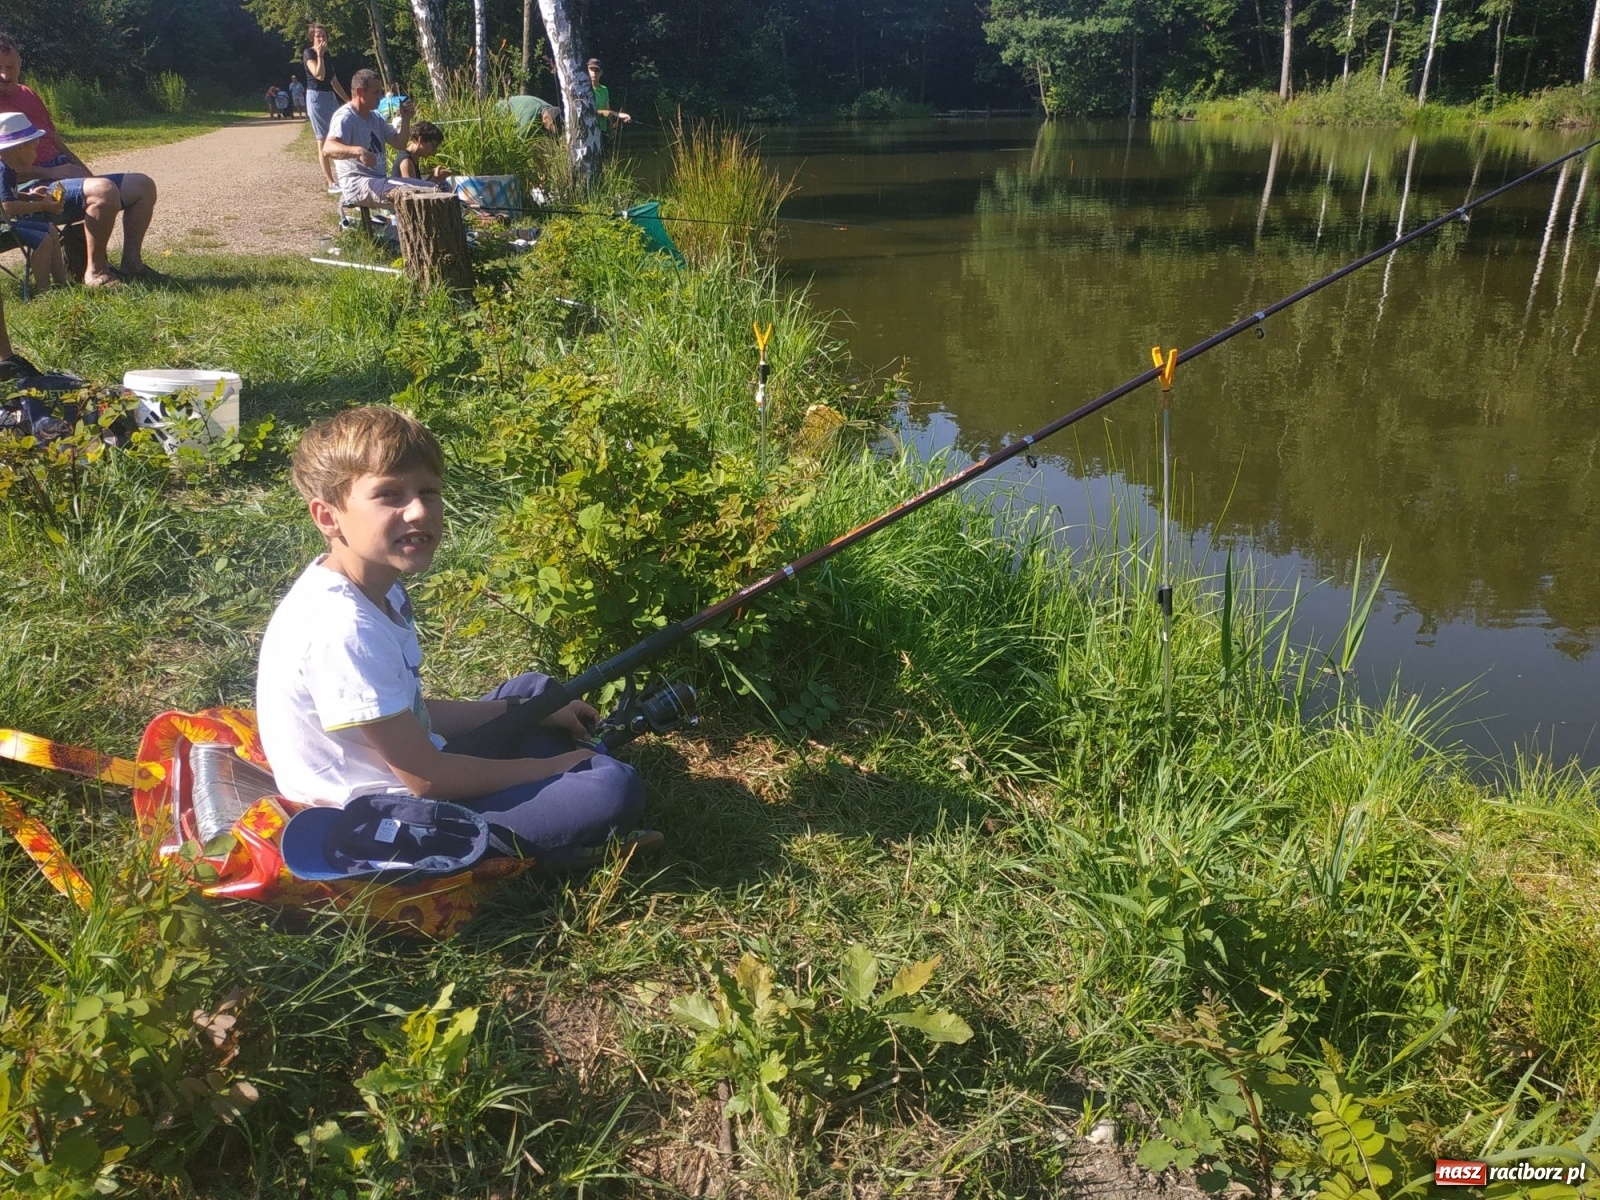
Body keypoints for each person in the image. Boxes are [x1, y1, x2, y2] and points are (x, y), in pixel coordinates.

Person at [255, 406, 649, 867]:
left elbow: (411, 715)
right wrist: (549, 768)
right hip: (377, 819)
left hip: (411, 766)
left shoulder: (379, 589)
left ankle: (557, 787)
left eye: (429, 491)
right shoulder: (343, 628)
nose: (419, 511)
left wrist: (523, 711)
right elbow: (427, 779)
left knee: (535, 692)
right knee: (611, 788)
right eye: (389, 495)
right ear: (328, 517)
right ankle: (519, 853)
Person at [0, 32, 161, 285]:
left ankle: (132, 265)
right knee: (103, 191)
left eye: (10, 67)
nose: (4, 75)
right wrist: (51, 173)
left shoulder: (28, 94)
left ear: (20, 64)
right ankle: (95, 273)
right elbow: (4, 171)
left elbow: (55, 140)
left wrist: (86, 173)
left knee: (142, 186)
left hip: (62, 175)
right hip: (30, 189)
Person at [324, 69, 440, 207]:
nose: (380, 97)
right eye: (376, 92)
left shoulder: (375, 117)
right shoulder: (345, 117)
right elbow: (328, 148)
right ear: (360, 92)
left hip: (380, 181)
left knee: (433, 189)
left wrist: (406, 119)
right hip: (357, 183)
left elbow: (400, 144)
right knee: (421, 195)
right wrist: (358, 151)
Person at [302, 23, 350, 190]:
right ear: (312, 38)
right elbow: (319, 75)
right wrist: (319, 56)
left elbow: (333, 81)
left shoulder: (327, 55)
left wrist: (348, 100)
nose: (321, 39)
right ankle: (331, 182)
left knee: (338, 136)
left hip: (330, 97)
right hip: (316, 97)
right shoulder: (309, 54)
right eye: (318, 36)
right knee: (322, 140)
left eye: (324, 36)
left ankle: (344, 177)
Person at [585, 59, 630, 131]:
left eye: (597, 70)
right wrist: (604, 113)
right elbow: (586, 112)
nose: (594, 73)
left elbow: (608, 111)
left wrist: (615, 122)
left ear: (601, 73)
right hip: (589, 130)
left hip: (602, 129)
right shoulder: (584, 90)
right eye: (591, 70)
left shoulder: (604, 89)